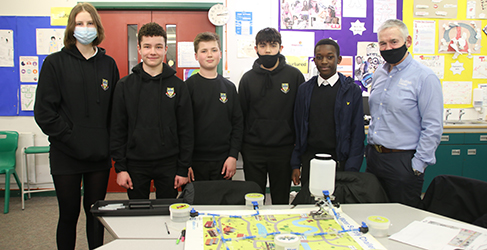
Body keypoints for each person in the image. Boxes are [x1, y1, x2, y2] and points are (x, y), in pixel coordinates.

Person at [34, 3, 119, 249]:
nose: (85, 28)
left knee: (95, 217)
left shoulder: (108, 65)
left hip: (98, 156)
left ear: (97, 27)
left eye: (89, 23)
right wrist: (72, 138)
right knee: (68, 215)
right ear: (71, 28)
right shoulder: (54, 63)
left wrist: (108, 144)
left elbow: (115, 113)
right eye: (79, 23)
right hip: (65, 154)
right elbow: (44, 112)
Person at [110, 22, 193, 199]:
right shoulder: (124, 86)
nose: (152, 52)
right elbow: (117, 128)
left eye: (158, 47)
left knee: (168, 214)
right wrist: (121, 168)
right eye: (147, 46)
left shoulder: (178, 86)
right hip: (135, 164)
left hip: (169, 164)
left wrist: (183, 167)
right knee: (138, 215)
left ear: (165, 49)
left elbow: (186, 130)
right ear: (139, 48)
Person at [366, 19, 443, 208]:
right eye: (383, 43)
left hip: (403, 162)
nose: (388, 47)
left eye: (394, 42)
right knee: (374, 212)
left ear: (407, 41)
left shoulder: (424, 77)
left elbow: (433, 126)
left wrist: (418, 166)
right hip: (375, 159)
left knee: (404, 219)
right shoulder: (379, 74)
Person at [291, 38, 365, 200]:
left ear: (338, 59)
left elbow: (357, 133)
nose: (324, 61)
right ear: (314, 60)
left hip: (340, 163)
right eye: (319, 57)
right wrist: (296, 164)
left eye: (330, 57)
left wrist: (351, 169)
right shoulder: (304, 90)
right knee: (310, 206)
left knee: (338, 207)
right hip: (311, 162)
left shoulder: (351, 91)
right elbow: (298, 129)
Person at [239, 27, 305, 204]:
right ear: (256, 49)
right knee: (254, 200)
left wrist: (296, 155)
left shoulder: (294, 76)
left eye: (273, 45)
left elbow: (300, 117)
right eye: (263, 45)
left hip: (283, 150)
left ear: (280, 48)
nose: (268, 50)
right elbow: (241, 116)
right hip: (253, 150)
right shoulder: (247, 79)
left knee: (281, 200)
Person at [186, 32, 243, 181]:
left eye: (214, 50)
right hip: (194, 161)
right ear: (196, 56)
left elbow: (237, 124)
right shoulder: (187, 87)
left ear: (220, 54)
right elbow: (182, 127)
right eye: (204, 51)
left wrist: (232, 156)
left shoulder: (229, 87)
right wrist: (184, 162)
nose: (209, 55)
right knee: (195, 203)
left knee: (221, 203)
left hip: (223, 161)